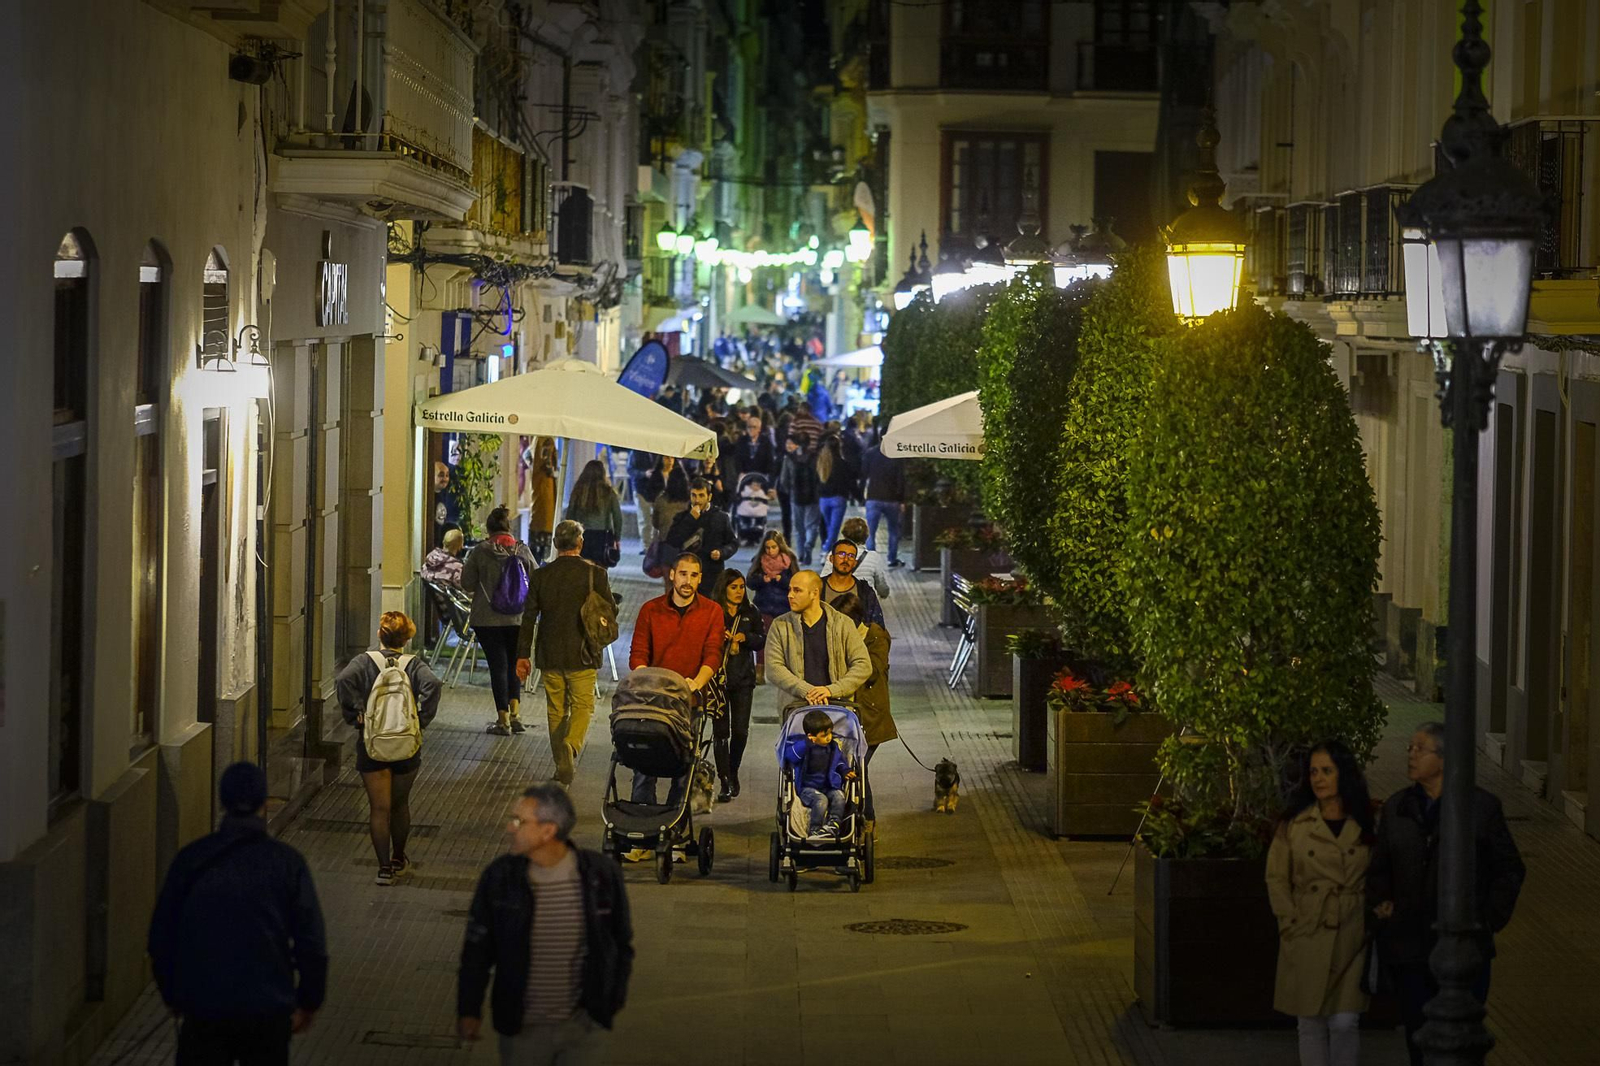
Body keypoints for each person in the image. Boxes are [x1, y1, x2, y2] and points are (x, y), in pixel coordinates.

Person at [1367, 721, 1526, 1066]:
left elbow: (1509, 869)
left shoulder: (1480, 809)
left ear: (1443, 758)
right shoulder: (1398, 808)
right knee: (1418, 1036)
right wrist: (1383, 905)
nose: (1410, 755)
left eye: (1419, 749)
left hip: (1465, 950)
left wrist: (1487, 919)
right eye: (1410, 747)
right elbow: (1379, 868)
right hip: (1410, 947)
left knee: (1461, 1040)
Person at [148, 762, 327, 1066]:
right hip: (267, 1006)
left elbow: (161, 935)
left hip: (205, 1006)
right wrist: (309, 1000)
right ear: (263, 803)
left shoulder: (192, 859)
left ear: (223, 801)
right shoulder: (287, 863)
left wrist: (174, 994)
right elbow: (311, 940)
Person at [457, 784, 634, 1065]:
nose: (510, 828)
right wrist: (469, 1010)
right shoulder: (501, 878)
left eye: (520, 821)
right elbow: (477, 950)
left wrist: (611, 999)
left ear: (548, 831)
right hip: (523, 1031)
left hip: (584, 1029)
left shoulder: (598, 876)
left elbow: (620, 941)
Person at [1266, 741, 1375, 1066]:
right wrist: (1289, 923)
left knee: (1344, 1021)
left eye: (1327, 771)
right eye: (1313, 771)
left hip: (1351, 933)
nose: (1318, 778)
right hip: (1308, 928)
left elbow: (1381, 870)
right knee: (1310, 1021)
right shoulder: (1295, 825)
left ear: (1344, 774)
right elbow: (1276, 877)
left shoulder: (1366, 823)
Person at [334, 611, 443, 884]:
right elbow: (433, 684)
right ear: (406, 639)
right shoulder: (414, 665)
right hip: (406, 743)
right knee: (400, 805)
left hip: (372, 742)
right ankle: (399, 857)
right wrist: (421, 720)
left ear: (379, 634)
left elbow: (343, 680)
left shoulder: (363, 662)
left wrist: (355, 714)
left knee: (379, 808)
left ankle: (383, 868)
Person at [514, 521, 613, 788]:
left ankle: (561, 764)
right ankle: (571, 745)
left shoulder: (541, 576)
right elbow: (610, 611)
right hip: (584, 654)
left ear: (556, 544)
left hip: (550, 653)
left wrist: (523, 655)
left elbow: (528, 617)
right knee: (583, 706)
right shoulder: (596, 574)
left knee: (556, 709)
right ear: (580, 543)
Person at [627, 554, 725, 820]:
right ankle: (642, 821)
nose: (687, 581)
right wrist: (648, 682)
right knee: (645, 764)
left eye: (693, 576)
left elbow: (713, 654)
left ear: (700, 578)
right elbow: (638, 654)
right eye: (683, 574)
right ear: (672, 575)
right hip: (652, 702)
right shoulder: (651, 609)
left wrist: (696, 684)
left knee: (684, 767)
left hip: (689, 702)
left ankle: (675, 823)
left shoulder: (712, 611)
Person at [462, 507, 538, 736]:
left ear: (489, 528)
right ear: (509, 527)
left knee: (498, 666)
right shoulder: (523, 550)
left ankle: (502, 719)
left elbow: (467, 583)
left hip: (487, 619)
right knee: (515, 663)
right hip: (519, 617)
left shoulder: (480, 551)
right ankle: (516, 714)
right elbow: (536, 580)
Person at [830, 592, 893, 834]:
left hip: (870, 716)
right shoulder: (837, 637)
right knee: (846, 768)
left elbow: (873, 671)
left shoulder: (875, 636)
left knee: (858, 768)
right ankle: (847, 818)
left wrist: (851, 650)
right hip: (845, 716)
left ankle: (867, 819)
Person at [765, 571, 871, 706]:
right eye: (790, 590)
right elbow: (773, 667)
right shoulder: (780, 625)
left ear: (814, 593)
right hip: (796, 707)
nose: (790, 595)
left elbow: (863, 664)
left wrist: (832, 690)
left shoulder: (843, 624)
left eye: (797, 590)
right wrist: (806, 690)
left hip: (837, 706)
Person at [709, 569, 765, 803]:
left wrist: (746, 638)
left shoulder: (750, 612)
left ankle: (733, 770)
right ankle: (723, 779)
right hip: (718, 680)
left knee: (740, 730)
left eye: (742, 587)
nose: (739, 591)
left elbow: (761, 639)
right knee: (721, 732)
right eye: (734, 587)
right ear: (724, 589)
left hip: (743, 680)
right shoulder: (713, 611)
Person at [780, 708, 855, 838]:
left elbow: (839, 762)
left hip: (828, 786)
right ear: (811, 737)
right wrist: (806, 744)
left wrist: (845, 770)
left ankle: (833, 825)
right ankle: (815, 829)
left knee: (839, 797)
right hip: (807, 789)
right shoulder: (804, 747)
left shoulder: (833, 747)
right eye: (824, 735)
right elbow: (790, 756)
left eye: (830, 733)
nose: (829, 737)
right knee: (821, 800)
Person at [664, 477, 739, 589]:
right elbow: (672, 541)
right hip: (687, 575)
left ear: (709, 497)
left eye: (701, 495)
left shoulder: (721, 517)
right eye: (694, 495)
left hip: (712, 574)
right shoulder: (681, 517)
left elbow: (733, 543)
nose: (697, 500)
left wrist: (722, 552)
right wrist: (690, 519)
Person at [564, 458, 624, 569]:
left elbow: (570, 514)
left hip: (582, 534)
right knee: (601, 568)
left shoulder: (578, 491)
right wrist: (617, 537)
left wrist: (570, 535)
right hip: (603, 536)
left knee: (583, 567)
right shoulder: (609, 492)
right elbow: (617, 517)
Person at [819, 537, 886, 629]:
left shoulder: (865, 592)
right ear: (831, 559)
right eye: (841, 554)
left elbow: (877, 627)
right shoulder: (818, 588)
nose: (846, 559)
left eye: (851, 556)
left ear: (855, 563)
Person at [861, 443, 907, 567]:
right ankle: (891, 559)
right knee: (893, 530)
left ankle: (871, 559)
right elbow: (901, 479)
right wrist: (901, 500)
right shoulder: (897, 455)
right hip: (892, 499)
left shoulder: (870, 453)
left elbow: (863, 475)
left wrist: (861, 496)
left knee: (870, 531)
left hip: (873, 496)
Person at [779, 434, 822, 565]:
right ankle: (809, 545)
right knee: (811, 525)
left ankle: (801, 555)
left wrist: (789, 491)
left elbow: (784, 479)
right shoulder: (815, 456)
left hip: (796, 496)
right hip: (813, 496)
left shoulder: (789, 458)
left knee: (799, 528)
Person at [824, 516, 889, 601]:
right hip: (865, 603)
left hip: (839, 603)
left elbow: (823, 580)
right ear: (866, 536)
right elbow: (881, 584)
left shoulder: (834, 554)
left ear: (844, 535)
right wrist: (884, 593)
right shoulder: (873, 557)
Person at [646, 457, 690, 561]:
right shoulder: (688, 502)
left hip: (665, 541)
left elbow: (655, 523)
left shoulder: (661, 500)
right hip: (685, 542)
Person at [814, 434, 852, 553]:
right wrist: (858, 496)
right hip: (838, 498)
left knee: (829, 527)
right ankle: (826, 550)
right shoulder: (843, 463)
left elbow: (815, 481)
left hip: (824, 499)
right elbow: (849, 481)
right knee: (834, 529)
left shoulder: (821, 463)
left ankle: (829, 552)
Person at [526, 437, 560, 564]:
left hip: (537, 491)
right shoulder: (546, 440)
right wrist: (555, 473)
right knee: (544, 550)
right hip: (546, 491)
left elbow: (527, 456)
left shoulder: (536, 440)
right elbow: (548, 464)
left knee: (534, 550)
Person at [433, 460, 462, 548]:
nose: (445, 479)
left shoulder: (444, 495)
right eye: (441, 475)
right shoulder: (427, 498)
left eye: (447, 475)